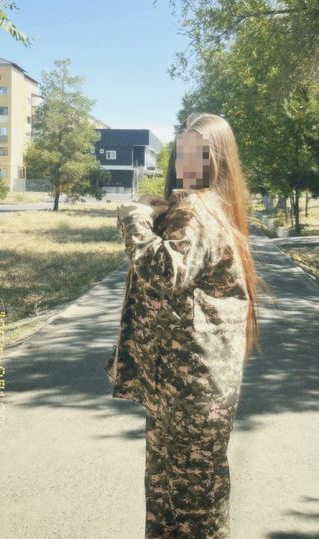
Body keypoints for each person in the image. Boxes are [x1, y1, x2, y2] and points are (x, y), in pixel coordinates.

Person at [104, 112, 269, 538]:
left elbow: (163, 273)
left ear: (218, 160)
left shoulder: (197, 209)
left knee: (189, 506)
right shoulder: (204, 207)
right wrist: (159, 216)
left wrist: (135, 216)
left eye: (198, 153)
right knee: (175, 497)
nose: (186, 163)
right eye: (182, 152)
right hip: (183, 386)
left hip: (187, 390)